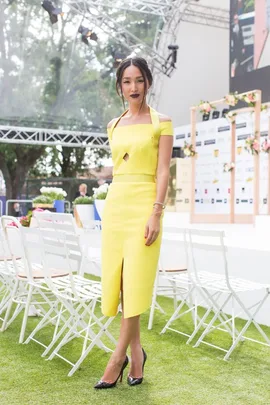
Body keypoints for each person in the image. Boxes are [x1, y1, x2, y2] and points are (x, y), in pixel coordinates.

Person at [94, 57, 173, 389]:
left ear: (148, 83)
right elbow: (117, 168)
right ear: (120, 86)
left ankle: (118, 357)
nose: (133, 87)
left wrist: (156, 212)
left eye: (139, 80)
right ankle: (137, 354)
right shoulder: (113, 124)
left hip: (145, 206)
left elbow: (163, 171)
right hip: (117, 205)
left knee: (136, 280)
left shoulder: (162, 122)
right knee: (123, 283)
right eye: (127, 81)